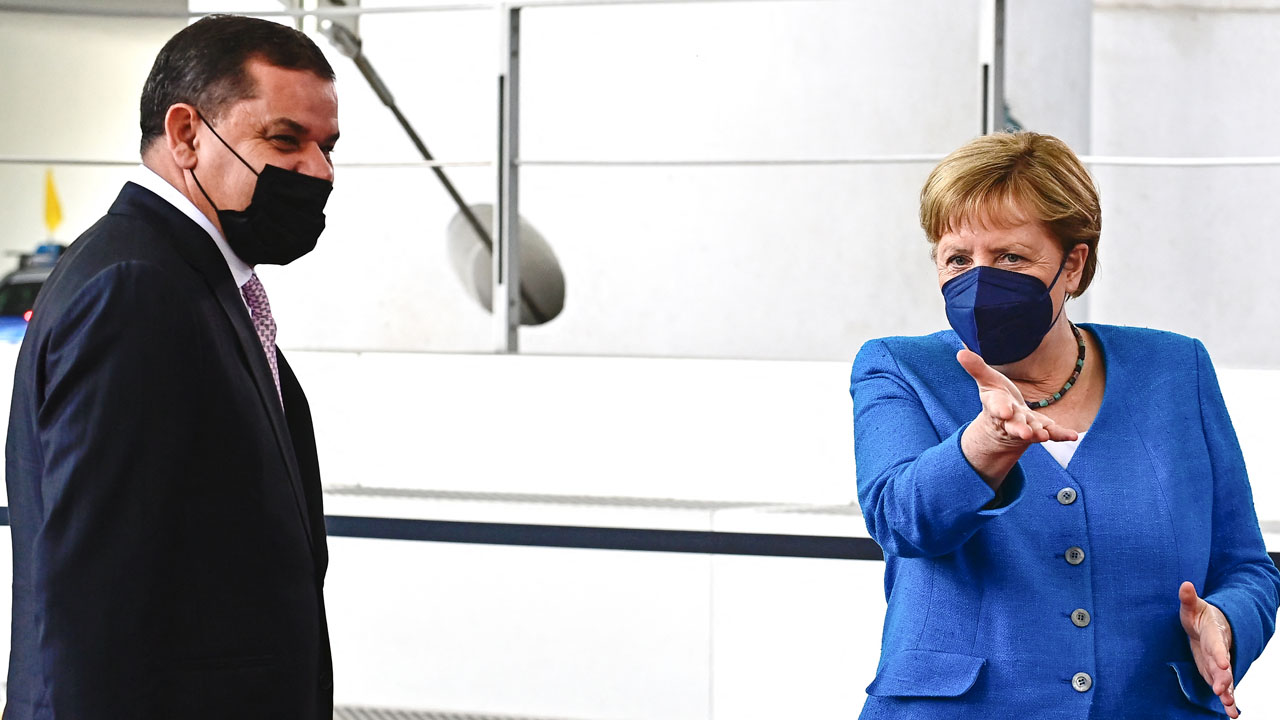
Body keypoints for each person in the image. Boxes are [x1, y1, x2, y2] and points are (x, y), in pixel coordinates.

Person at [850, 132, 1280, 719]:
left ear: (1072, 265)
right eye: (958, 259)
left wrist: (1226, 623)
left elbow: (1246, 565)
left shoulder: (1177, 369)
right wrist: (986, 443)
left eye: (1011, 258)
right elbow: (901, 522)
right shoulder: (899, 368)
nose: (980, 280)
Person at [5, 15, 339, 719]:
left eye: (327, 146)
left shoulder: (193, 282)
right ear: (186, 134)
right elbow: (94, 603)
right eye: (286, 139)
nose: (319, 170)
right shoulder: (137, 291)